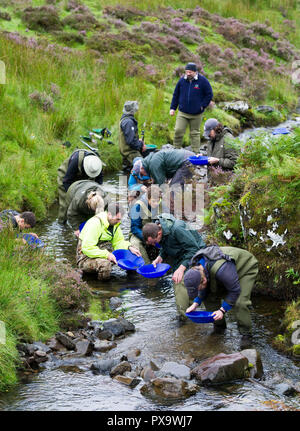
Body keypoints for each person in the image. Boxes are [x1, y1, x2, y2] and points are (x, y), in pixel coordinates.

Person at [183, 245, 258, 348]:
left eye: (199, 288)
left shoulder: (222, 270)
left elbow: (235, 291)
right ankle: (219, 327)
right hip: (226, 273)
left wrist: (222, 310)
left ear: (204, 280)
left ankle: (246, 335)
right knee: (209, 298)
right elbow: (203, 288)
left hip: (245, 268)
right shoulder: (194, 268)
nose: (199, 290)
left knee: (240, 302)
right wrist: (196, 303)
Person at [142, 214, 206, 319]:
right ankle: (192, 307)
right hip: (181, 254)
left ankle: (184, 317)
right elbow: (165, 245)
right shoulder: (160, 229)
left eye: (154, 242)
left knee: (179, 280)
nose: (154, 245)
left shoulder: (177, 229)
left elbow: (193, 249)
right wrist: (160, 257)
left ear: (159, 233)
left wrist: (181, 268)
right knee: (179, 280)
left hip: (197, 255)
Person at [76, 202, 141, 280]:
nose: (119, 222)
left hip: (101, 252)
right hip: (85, 257)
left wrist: (129, 247)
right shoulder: (95, 224)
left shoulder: (114, 225)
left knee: (131, 255)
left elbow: (118, 242)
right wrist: (107, 255)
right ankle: (102, 288)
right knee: (105, 265)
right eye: (117, 219)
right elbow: (87, 248)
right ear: (109, 214)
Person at [170, 62, 213, 153]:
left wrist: (202, 106)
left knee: (195, 133)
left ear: (195, 72)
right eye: (186, 72)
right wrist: (173, 108)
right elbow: (176, 95)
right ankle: (175, 151)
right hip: (183, 113)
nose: (188, 74)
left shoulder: (203, 81)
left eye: (190, 72)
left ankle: (196, 153)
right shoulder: (181, 81)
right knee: (178, 130)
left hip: (197, 114)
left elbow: (209, 94)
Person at [57, 149, 103, 224]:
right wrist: (74, 197)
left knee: (88, 200)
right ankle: (62, 224)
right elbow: (66, 181)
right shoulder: (75, 161)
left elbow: (99, 183)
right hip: (66, 177)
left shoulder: (96, 165)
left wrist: (95, 195)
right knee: (65, 203)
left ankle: (88, 222)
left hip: (84, 177)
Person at [130, 185, 168, 264]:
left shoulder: (162, 205)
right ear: (148, 198)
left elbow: (168, 222)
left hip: (156, 234)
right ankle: (145, 264)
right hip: (140, 234)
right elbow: (134, 228)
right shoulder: (137, 206)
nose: (156, 203)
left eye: (158, 201)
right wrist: (147, 239)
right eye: (154, 201)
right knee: (135, 244)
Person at [119, 101, 146, 171]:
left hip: (125, 152)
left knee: (125, 172)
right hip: (131, 153)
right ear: (132, 111)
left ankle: (123, 182)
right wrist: (141, 144)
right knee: (143, 168)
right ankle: (135, 182)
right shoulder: (128, 122)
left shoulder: (124, 119)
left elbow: (129, 138)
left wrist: (138, 141)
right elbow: (131, 141)